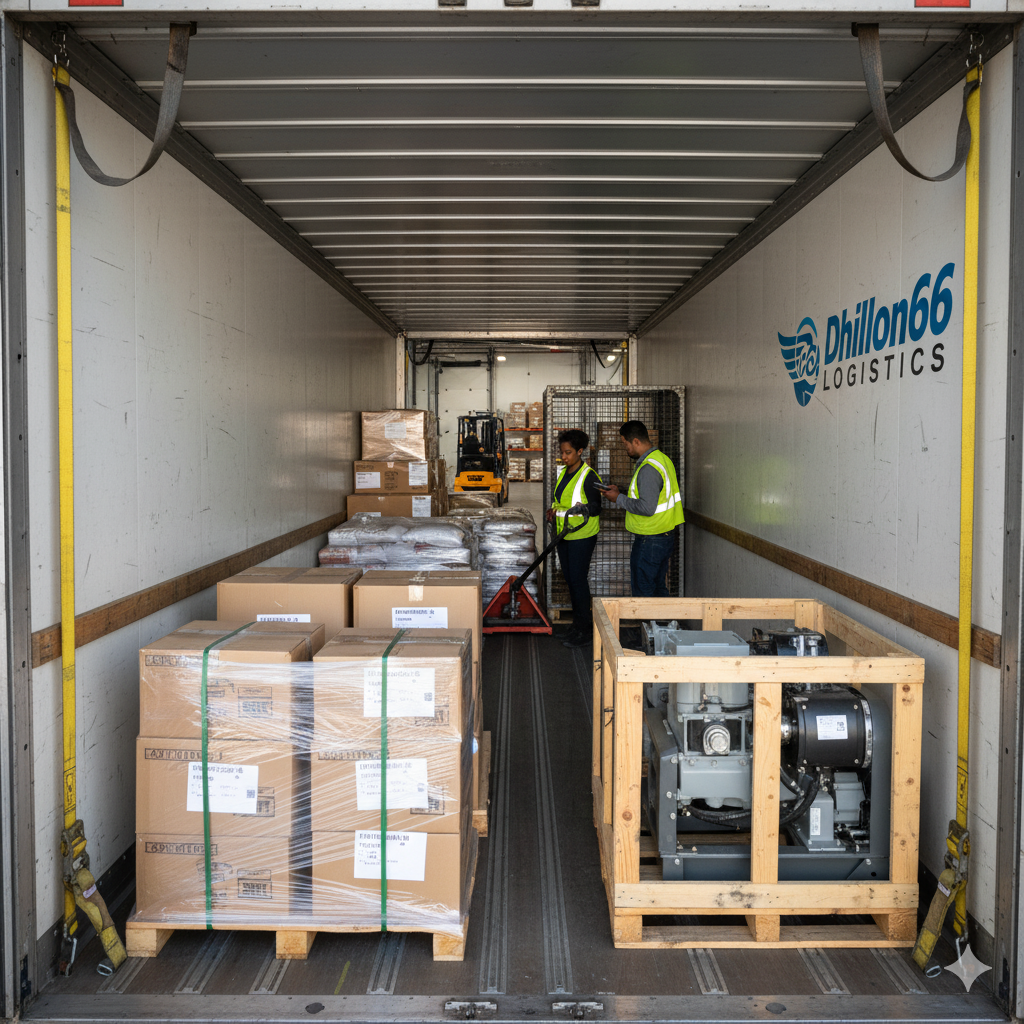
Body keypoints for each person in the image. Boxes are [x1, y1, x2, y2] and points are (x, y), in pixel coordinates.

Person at [597, 420, 683, 597]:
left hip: (650, 539)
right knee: (658, 587)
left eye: (625, 444)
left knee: (644, 591)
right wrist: (619, 492)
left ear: (635, 441)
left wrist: (618, 499)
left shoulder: (648, 468)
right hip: (663, 535)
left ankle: (648, 623)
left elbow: (647, 507)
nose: (625, 448)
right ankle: (662, 623)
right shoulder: (661, 459)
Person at [545, 429, 602, 648]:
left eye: (568, 452)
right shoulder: (564, 473)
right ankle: (577, 626)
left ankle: (584, 629)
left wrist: (583, 508)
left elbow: (597, 507)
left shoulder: (589, 476)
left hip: (582, 535)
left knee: (578, 581)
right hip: (564, 534)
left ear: (580, 451)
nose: (564, 456)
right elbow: (562, 501)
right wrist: (554, 511)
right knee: (569, 578)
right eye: (562, 452)